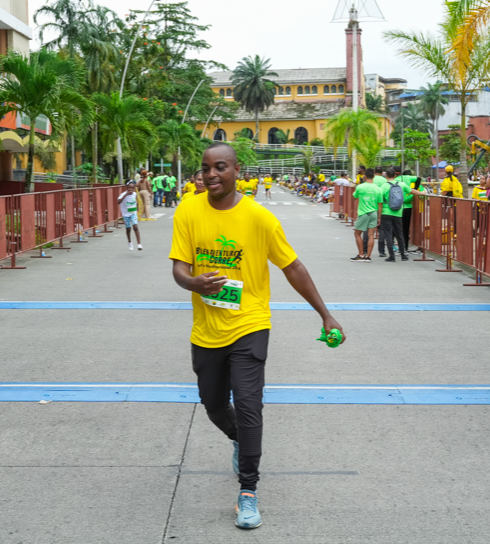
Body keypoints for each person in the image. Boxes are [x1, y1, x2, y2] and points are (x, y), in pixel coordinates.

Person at [169, 143, 344, 529]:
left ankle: (248, 491)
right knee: (213, 404)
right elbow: (179, 268)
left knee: (249, 408)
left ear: (237, 170)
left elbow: (292, 266)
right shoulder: (188, 209)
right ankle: (237, 440)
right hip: (207, 330)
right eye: (205, 168)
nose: (211, 174)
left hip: (250, 324)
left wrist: (326, 315)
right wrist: (194, 283)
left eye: (220, 167)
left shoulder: (259, 218)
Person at [351, 168, 383, 263]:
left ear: (364, 176)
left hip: (363, 213)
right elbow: (380, 204)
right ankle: (368, 256)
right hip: (374, 213)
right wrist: (379, 217)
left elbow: (354, 197)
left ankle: (361, 254)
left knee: (357, 234)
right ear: (374, 176)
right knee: (371, 235)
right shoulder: (378, 189)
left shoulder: (360, 187)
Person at [379, 167, 407, 262]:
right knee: (399, 233)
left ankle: (392, 256)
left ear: (386, 175)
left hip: (386, 212)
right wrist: (422, 193)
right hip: (398, 212)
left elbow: (378, 198)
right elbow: (412, 191)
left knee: (388, 234)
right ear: (395, 175)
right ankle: (403, 255)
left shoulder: (384, 186)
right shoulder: (402, 184)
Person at [117, 181, 142, 251]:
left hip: (133, 213)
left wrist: (137, 209)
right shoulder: (123, 194)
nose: (130, 189)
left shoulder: (135, 194)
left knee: (135, 227)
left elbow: (136, 202)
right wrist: (126, 195)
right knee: (128, 228)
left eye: (132, 188)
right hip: (125, 214)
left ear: (134, 189)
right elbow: (118, 201)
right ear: (126, 188)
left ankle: (139, 244)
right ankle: (130, 242)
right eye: (129, 188)